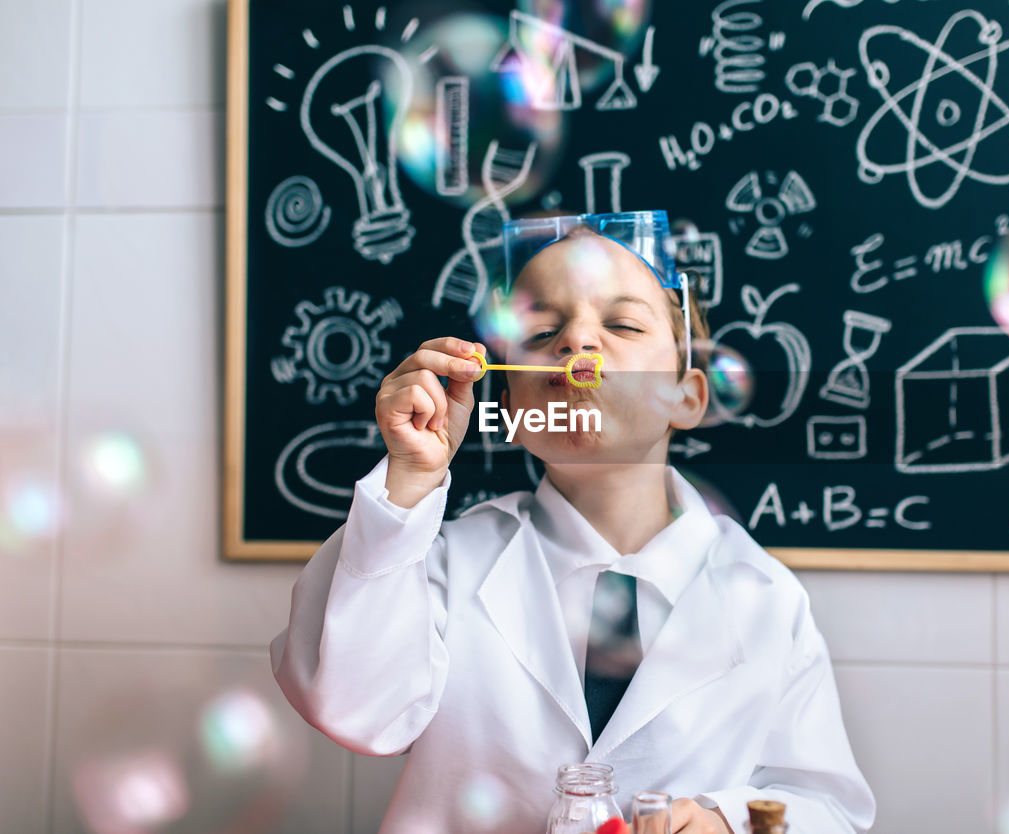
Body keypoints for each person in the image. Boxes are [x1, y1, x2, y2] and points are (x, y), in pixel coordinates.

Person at [270, 211, 876, 833]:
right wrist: (409, 481)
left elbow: (829, 806)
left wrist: (727, 822)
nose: (576, 343)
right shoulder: (444, 564)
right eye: (541, 332)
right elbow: (354, 710)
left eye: (621, 323)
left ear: (688, 395)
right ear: (508, 405)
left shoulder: (767, 598)